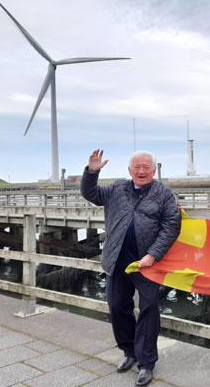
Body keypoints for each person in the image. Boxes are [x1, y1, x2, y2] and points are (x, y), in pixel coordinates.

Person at [80, 149, 181, 387]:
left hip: (147, 262)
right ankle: (129, 351)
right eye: (137, 167)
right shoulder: (117, 188)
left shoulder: (164, 194)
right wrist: (91, 173)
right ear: (129, 171)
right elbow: (91, 193)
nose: (141, 171)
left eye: (146, 167)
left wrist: (153, 255)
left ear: (154, 171)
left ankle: (146, 363)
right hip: (117, 258)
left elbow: (171, 226)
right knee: (117, 306)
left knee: (148, 309)